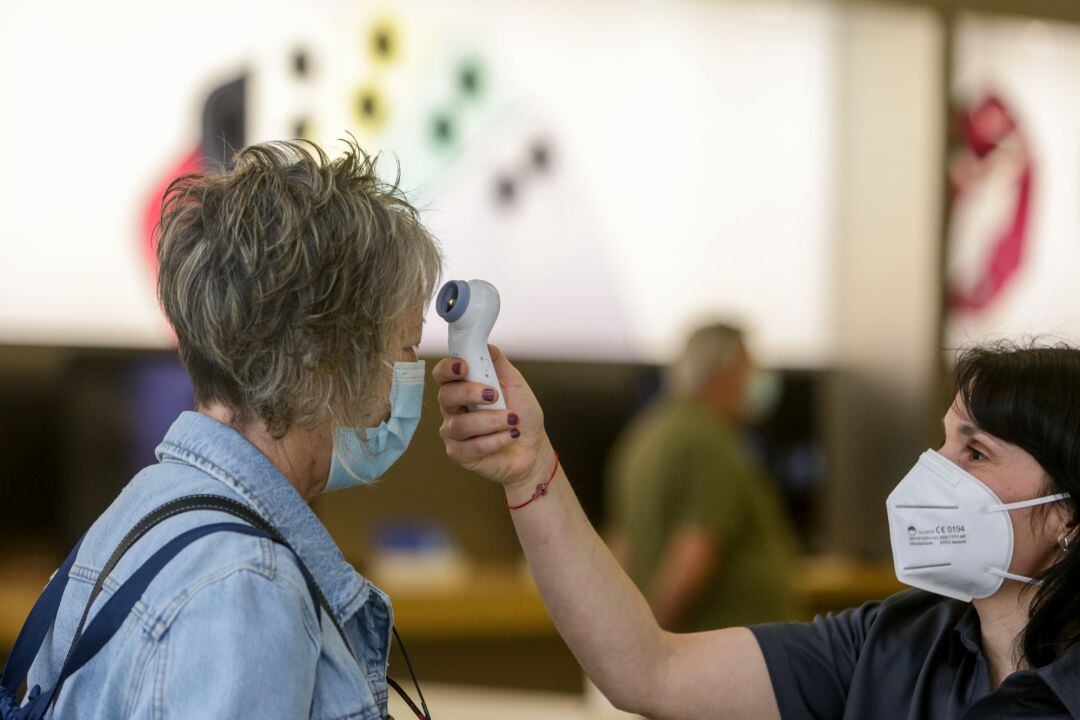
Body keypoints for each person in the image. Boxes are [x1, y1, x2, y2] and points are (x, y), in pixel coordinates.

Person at [435, 342, 1080, 718]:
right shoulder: (893, 645)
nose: (934, 474)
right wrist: (529, 472)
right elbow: (649, 670)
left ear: (1068, 514)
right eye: (941, 444)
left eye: (975, 454)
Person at [24, 141, 443, 718]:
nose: (406, 382)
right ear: (326, 357)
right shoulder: (246, 587)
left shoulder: (149, 507)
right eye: (406, 348)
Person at [605, 323, 799, 631]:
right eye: (750, 367)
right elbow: (694, 554)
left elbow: (622, 545)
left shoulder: (646, 433)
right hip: (730, 658)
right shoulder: (707, 440)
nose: (757, 380)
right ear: (724, 372)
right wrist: (648, 642)